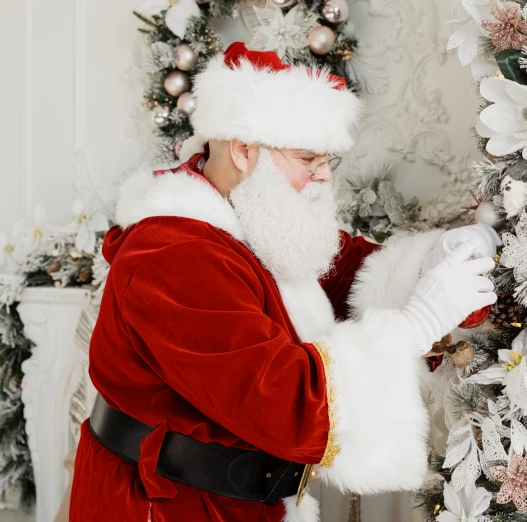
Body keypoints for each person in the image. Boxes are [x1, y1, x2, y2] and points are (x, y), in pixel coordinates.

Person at [69, 41, 500, 522]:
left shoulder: (253, 217)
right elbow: (285, 402)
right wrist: (417, 324)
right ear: (243, 149)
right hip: (167, 505)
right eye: (307, 161)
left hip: (244, 502)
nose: (322, 179)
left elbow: (350, 271)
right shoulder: (174, 254)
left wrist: (439, 258)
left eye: (327, 163)